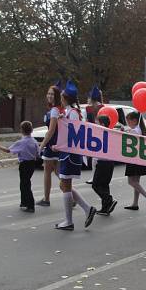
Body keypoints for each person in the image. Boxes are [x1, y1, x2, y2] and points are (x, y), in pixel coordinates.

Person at [54, 81, 97, 231]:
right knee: (64, 184)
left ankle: (69, 221)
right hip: (68, 152)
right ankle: (87, 209)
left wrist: (58, 145)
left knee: (65, 185)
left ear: (65, 98)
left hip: (70, 153)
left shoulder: (72, 113)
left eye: (61, 97)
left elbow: (72, 135)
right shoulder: (70, 112)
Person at [0, 121, 40, 213]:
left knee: (25, 184)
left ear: (22, 130)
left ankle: (30, 205)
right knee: (25, 183)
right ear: (31, 130)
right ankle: (24, 202)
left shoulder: (21, 142)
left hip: (24, 165)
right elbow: (38, 153)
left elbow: (8, 150)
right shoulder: (34, 141)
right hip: (32, 164)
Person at [37, 83, 64, 207]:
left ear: (57, 96)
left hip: (52, 144)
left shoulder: (55, 110)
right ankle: (72, 196)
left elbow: (51, 130)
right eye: (48, 93)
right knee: (58, 172)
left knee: (48, 170)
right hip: (58, 144)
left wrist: (41, 146)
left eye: (52, 94)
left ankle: (46, 199)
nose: (49, 96)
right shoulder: (58, 109)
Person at [123, 111, 146, 211]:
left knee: (131, 181)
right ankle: (135, 203)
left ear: (135, 120)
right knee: (136, 182)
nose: (128, 123)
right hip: (139, 158)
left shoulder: (135, 131)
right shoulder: (140, 129)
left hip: (134, 159)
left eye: (129, 121)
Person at [91, 113, 117, 217]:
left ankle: (109, 200)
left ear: (101, 123)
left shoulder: (100, 134)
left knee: (96, 185)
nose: (95, 124)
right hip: (110, 163)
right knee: (104, 185)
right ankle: (105, 208)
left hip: (103, 162)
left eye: (97, 122)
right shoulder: (111, 133)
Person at [85, 86, 103, 184]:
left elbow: (88, 122)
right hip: (101, 133)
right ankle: (98, 176)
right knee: (98, 157)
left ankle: (94, 176)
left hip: (94, 133)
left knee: (95, 157)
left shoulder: (89, 108)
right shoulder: (103, 107)